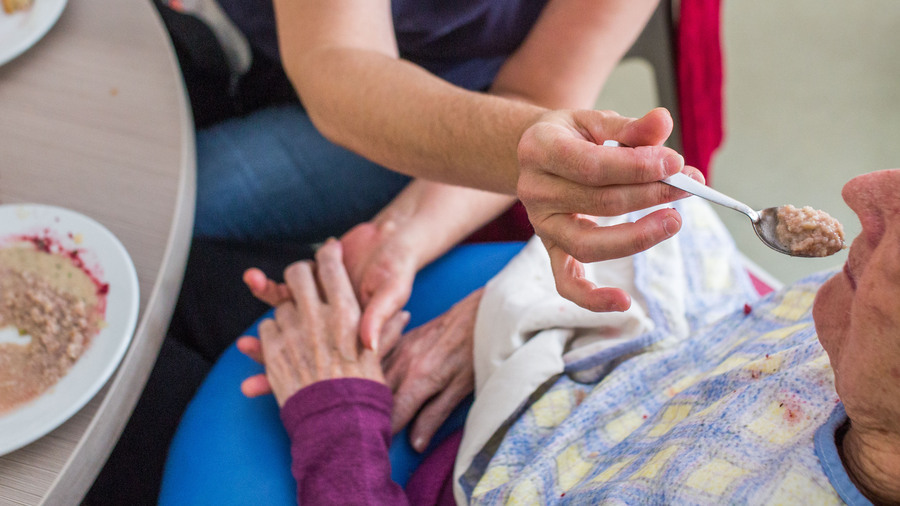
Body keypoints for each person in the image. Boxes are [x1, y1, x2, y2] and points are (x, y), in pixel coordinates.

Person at [239, 169, 900, 504]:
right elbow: (745, 308)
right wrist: (516, 309)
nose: (859, 190)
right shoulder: (855, 345)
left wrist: (337, 416)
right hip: (578, 386)